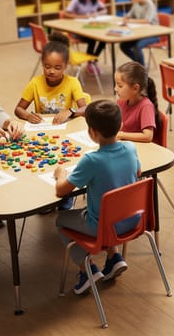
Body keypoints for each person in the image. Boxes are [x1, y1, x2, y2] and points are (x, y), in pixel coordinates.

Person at [54, 100, 141, 294]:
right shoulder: (130, 148)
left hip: (102, 227)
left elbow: (61, 191)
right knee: (105, 207)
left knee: (60, 221)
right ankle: (114, 258)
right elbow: (138, 172)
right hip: (133, 219)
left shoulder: (91, 160)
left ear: (92, 133)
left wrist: (61, 174)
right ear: (121, 126)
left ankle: (87, 271)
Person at [15, 32, 89, 126]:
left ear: (66, 66)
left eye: (57, 68)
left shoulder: (73, 82)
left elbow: (86, 108)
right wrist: (28, 116)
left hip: (65, 126)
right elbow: (18, 109)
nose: (52, 71)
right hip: (43, 128)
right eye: (47, 66)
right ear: (42, 63)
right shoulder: (35, 83)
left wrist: (71, 111)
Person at [64, 0, 106, 74]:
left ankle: (92, 61)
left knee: (103, 39)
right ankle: (91, 63)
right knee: (93, 39)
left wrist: (97, 13)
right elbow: (66, 14)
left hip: (93, 27)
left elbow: (104, 9)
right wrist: (82, 16)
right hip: (79, 31)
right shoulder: (77, 0)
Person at [114, 61, 159, 143]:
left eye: (120, 86)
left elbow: (148, 136)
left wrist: (121, 135)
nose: (115, 89)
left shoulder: (146, 106)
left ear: (135, 88)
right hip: (125, 144)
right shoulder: (121, 101)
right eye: (116, 84)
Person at [119, 0, 159, 65]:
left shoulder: (149, 4)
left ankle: (141, 68)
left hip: (153, 34)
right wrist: (126, 17)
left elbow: (147, 20)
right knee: (123, 46)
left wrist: (130, 21)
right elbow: (130, 14)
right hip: (140, 33)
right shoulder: (136, 3)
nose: (132, 0)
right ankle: (139, 63)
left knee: (137, 47)